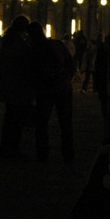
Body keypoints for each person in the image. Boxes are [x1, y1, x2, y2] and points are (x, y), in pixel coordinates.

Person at [28, 21, 75, 165]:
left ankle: (42, 154)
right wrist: (66, 79)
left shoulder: (34, 50)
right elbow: (71, 64)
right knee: (65, 123)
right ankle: (68, 154)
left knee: (41, 123)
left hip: (45, 89)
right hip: (63, 87)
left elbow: (32, 73)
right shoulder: (57, 44)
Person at [0, 15, 33, 158]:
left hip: (8, 85)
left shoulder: (7, 40)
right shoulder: (18, 43)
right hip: (17, 86)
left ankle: (6, 147)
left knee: (10, 118)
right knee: (16, 120)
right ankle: (12, 148)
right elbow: (22, 64)